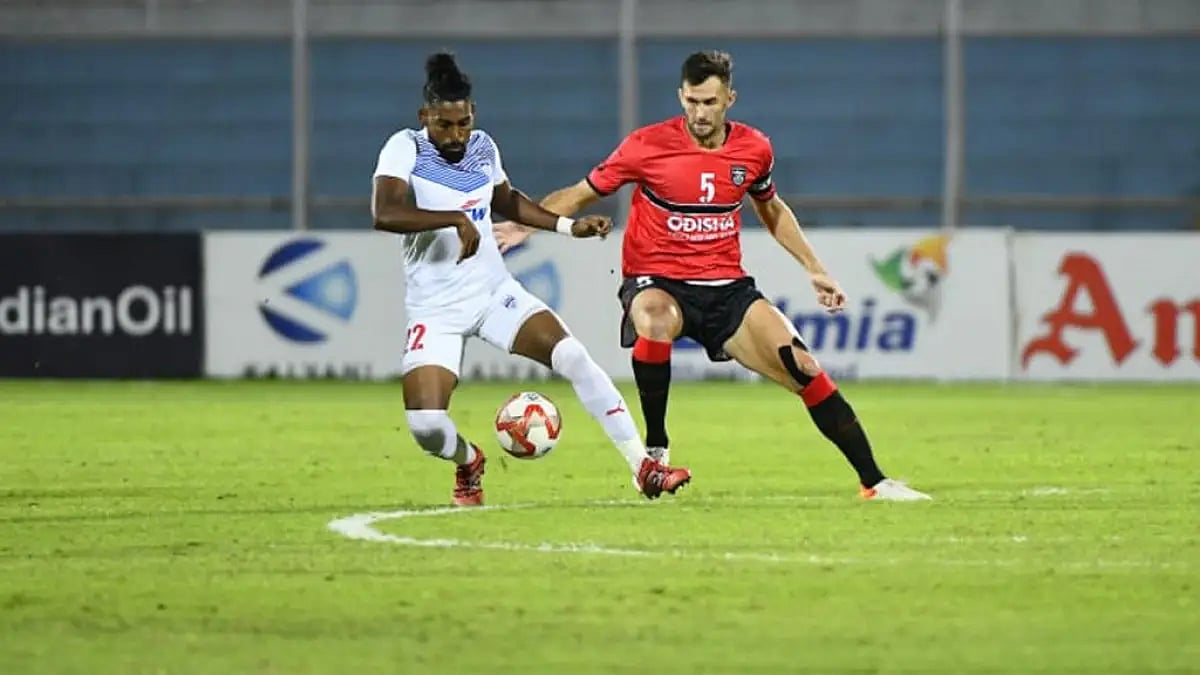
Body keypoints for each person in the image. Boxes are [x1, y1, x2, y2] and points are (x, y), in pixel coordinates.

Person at [495, 50, 930, 501]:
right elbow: (583, 193)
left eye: (709, 102)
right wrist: (527, 224)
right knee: (654, 317)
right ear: (681, 96)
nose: (699, 113)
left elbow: (772, 209)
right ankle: (656, 451)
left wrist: (815, 270)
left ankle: (874, 482)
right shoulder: (646, 145)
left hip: (727, 289)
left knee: (804, 367)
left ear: (729, 100)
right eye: (691, 101)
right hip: (657, 278)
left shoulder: (754, 149)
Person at [372, 52, 691, 506]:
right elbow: (385, 212)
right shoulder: (405, 146)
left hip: (492, 292)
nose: (456, 134)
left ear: (472, 115)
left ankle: (644, 468)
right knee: (426, 426)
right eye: (445, 125)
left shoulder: (482, 146)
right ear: (426, 117)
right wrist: (455, 220)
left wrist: (566, 227)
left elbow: (508, 201)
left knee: (575, 358)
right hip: (435, 309)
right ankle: (469, 462)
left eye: (463, 123)